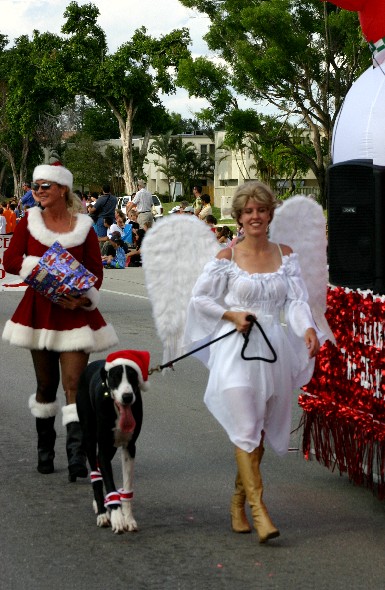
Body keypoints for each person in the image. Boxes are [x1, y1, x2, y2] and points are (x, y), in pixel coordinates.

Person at [183, 180, 323, 543]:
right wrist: (232, 315)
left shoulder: (285, 254)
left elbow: (295, 302)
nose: (255, 216)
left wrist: (307, 329)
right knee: (246, 426)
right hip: (235, 351)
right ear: (239, 218)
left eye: (261, 210)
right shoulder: (226, 259)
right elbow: (200, 301)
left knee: (256, 433)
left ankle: (236, 503)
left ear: (269, 213)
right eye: (248, 211)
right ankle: (260, 512)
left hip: (272, 350)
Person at [2, 164, 119, 480]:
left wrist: (81, 296)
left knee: (73, 385)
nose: (38, 191)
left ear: (62, 190)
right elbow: (10, 260)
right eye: (36, 186)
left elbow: (95, 270)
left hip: (76, 313)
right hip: (40, 311)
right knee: (46, 385)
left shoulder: (84, 225)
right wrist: (47, 275)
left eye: (44, 186)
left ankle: (77, 455)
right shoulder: (29, 222)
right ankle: (45, 450)